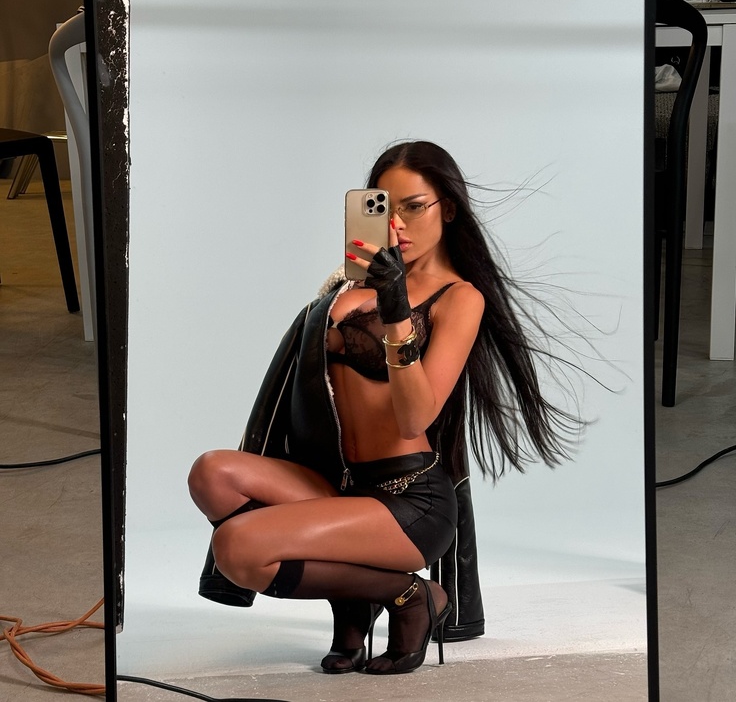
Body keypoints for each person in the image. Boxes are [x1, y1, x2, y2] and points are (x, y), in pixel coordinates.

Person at [188, 140, 579, 675]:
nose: (398, 225)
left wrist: (396, 312)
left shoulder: (459, 298)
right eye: (383, 209)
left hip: (408, 500)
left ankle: (411, 597)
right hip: (342, 487)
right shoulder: (348, 286)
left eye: (414, 207)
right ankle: (364, 596)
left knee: (238, 548)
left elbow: (416, 416)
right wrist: (356, 289)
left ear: (449, 208)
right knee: (211, 473)